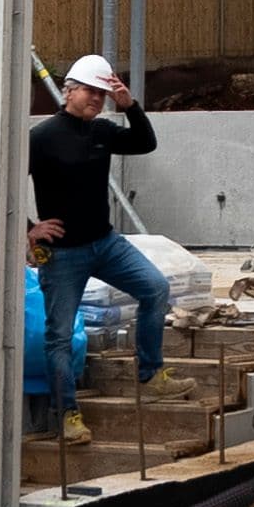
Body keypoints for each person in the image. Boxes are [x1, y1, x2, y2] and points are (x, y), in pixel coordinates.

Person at [28, 53, 169, 423]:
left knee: (154, 288)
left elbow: (145, 143)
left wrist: (131, 106)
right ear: (68, 91)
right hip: (62, 255)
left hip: (105, 244)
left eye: (102, 95)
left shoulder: (102, 132)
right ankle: (66, 414)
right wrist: (29, 229)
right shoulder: (41, 137)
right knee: (59, 336)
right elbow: (1, 182)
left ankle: (151, 374)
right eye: (89, 92)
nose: (96, 100)